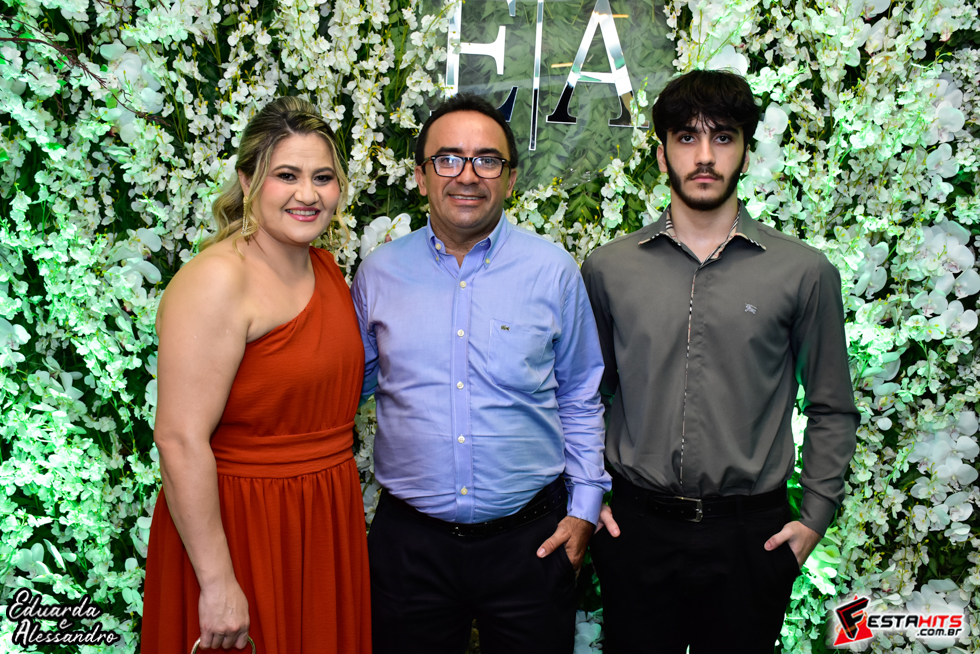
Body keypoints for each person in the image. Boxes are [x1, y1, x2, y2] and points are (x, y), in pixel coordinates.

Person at [582, 70, 858, 653]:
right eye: (686, 137)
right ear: (662, 155)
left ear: (746, 153)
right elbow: (584, 396)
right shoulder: (608, 269)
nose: (704, 156)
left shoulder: (803, 272)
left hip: (750, 538)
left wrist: (814, 517)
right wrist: (587, 499)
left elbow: (832, 406)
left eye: (723, 137)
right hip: (636, 531)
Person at [351, 93, 609, 654]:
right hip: (409, 548)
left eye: (487, 160)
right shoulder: (378, 274)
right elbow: (346, 390)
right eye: (448, 159)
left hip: (531, 542)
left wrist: (584, 511)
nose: (467, 175)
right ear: (421, 176)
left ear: (510, 180)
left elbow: (580, 394)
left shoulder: (553, 271)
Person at [141, 97, 371, 653]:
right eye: (286, 175)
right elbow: (178, 438)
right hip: (243, 526)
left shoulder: (325, 267)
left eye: (323, 178)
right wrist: (218, 583)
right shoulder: (219, 279)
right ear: (248, 181)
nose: (307, 194)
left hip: (322, 518)